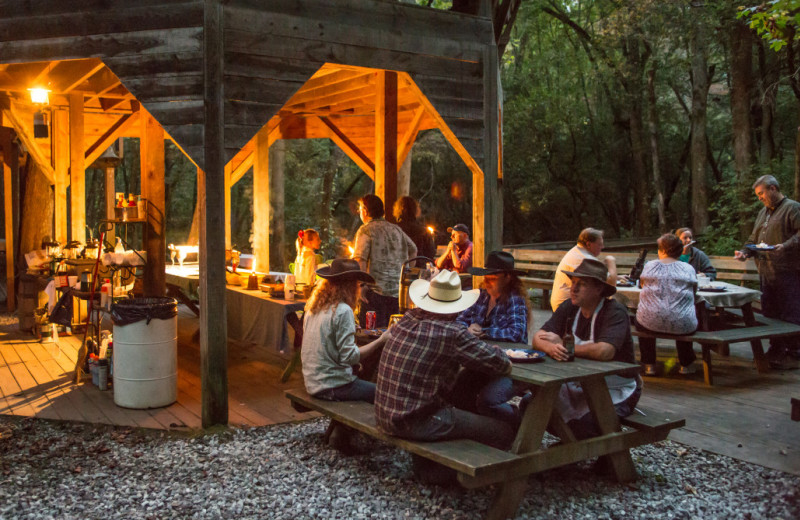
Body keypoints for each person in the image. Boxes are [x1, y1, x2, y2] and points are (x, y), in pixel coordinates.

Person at [375, 269, 513, 482]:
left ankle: (434, 464)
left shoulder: (407, 319)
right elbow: (502, 364)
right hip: (415, 420)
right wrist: (492, 348)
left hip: (385, 414)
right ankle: (459, 474)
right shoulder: (451, 333)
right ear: (454, 308)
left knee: (461, 393)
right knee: (503, 431)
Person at [533, 258, 640, 440]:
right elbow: (537, 338)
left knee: (589, 424)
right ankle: (571, 450)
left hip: (615, 388)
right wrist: (552, 348)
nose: (573, 289)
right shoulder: (570, 307)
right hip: (578, 384)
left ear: (598, 289)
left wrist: (565, 347)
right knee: (532, 406)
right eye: (573, 283)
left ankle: (600, 457)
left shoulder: (614, 312)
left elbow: (605, 351)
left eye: (581, 284)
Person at [301, 259, 388, 451]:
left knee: (364, 376)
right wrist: (381, 340)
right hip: (332, 386)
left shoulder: (314, 307)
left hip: (313, 381)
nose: (360, 289)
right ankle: (350, 436)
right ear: (350, 286)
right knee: (384, 393)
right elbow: (349, 357)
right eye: (359, 284)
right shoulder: (343, 311)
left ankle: (342, 432)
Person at [451, 251, 529, 426]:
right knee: (456, 391)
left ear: (508, 278)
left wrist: (484, 332)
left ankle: (518, 424)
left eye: (492, 277)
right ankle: (480, 429)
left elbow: (516, 333)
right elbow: (458, 322)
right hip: (482, 362)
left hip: (509, 366)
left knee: (489, 400)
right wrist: (468, 328)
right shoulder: (480, 296)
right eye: (486, 276)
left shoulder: (515, 300)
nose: (486, 280)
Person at [735, 175, 800, 367]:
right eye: (757, 195)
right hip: (767, 272)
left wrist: (786, 245)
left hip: (788, 271)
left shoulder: (792, 208)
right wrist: (745, 252)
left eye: (761, 193)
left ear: (773, 188)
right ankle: (776, 349)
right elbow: (753, 239)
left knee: (790, 313)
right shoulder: (763, 213)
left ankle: (794, 351)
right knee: (770, 313)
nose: (760, 198)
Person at [635, 234, 698, 376]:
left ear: (662, 251)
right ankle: (686, 364)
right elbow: (694, 292)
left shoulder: (650, 266)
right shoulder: (687, 268)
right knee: (682, 314)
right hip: (682, 323)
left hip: (649, 323)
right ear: (680, 251)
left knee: (645, 316)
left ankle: (648, 364)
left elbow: (642, 285)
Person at [352, 194, 417, 328]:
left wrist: (360, 286)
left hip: (374, 293)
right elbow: (413, 250)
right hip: (396, 293)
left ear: (365, 210)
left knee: (370, 334)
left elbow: (360, 259)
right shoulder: (396, 229)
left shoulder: (365, 230)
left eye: (360, 209)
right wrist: (405, 272)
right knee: (391, 333)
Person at [551, 228, 617, 311]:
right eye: (599, 244)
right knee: (608, 304)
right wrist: (611, 260)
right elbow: (611, 282)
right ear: (589, 244)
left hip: (564, 303)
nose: (602, 247)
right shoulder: (584, 259)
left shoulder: (576, 251)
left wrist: (618, 277)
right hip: (567, 307)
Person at [393, 196, 435, 267]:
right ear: (415, 210)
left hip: (398, 269)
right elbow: (431, 253)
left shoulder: (394, 229)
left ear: (398, 209)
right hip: (420, 269)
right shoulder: (424, 231)